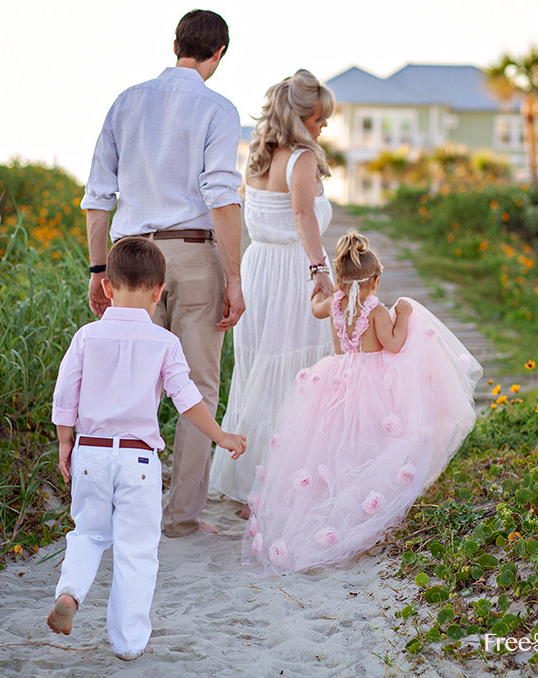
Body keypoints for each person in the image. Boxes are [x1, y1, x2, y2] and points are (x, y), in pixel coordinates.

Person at [80, 9, 244, 538]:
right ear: (218, 54)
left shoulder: (126, 102)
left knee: (128, 383)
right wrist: (235, 279)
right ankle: (180, 519)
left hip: (129, 260)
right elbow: (222, 197)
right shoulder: (217, 108)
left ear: (176, 44)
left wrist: (98, 268)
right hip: (194, 256)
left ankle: (123, 511)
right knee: (195, 387)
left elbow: (98, 196)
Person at [46, 237, 246, 660]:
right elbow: (188, 399)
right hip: (138, 460)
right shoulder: (164, 343)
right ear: (159, 293)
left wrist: (66, 442)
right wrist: (222, 437)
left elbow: (66, 393)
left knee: (87, 533)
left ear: (106, 288)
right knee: (137, 551)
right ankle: (129, 642)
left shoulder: (86, 337)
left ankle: (70, 594)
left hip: (91, 453)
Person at [242, 231, 482, 575]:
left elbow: (315, 308)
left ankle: (330, 503)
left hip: (336, 380)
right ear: (377, 280)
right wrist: (404, 314)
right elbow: (395, 345)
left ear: (340, 281)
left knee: (332, 446)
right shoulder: (377, 310)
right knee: (370, 443)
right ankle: (363, 511)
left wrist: (318, 293)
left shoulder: (335, 303)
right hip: (371, 385)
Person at [209, 70, 336, 513]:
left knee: (261, 369)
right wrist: (320, 271)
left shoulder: (257, 156)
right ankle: (276, 486)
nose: (324, 127)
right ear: (302, 117)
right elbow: (304, 218)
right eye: (319, 119)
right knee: (296, 374)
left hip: (260, 266)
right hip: (290, 271)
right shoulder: (300, 159)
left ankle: (253, 483)